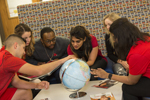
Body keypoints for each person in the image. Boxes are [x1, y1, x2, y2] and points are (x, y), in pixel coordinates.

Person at [0, 34, 74, 100]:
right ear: (15, 45)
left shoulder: (3, 55)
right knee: (26, 92)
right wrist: (63, 60)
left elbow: (16, 82)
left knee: (25, 92)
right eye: (23, 48)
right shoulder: (9, 59)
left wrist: (37, 85)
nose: (24, 52)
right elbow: (39, 71)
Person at [91, 18, 150, 100]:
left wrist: (107, 75)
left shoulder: (136, 53)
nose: (114, 41)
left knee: (127, 88)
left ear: (122, 36)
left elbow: (131, 81)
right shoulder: (144, 37)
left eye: (115, 37)